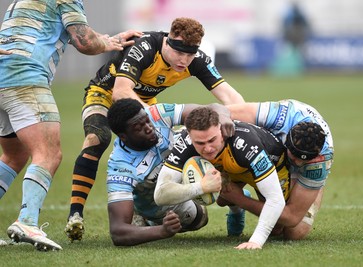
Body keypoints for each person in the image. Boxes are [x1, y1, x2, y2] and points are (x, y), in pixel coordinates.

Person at [65, 17, 245, 242]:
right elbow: (121, 91)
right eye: (179, 53)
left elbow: (230, 97)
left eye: (190, 55)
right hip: (105, 94)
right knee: (98, 138)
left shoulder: (195, 59)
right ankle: (75, 214)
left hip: (144, 103)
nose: (184, 60)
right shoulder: (146, 47)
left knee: (193, 147)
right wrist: (155, 120)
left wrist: (240, 125)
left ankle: (147, 206)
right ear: (168, 41)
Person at [0, 0, 140, 251]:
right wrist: (106, 44)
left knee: (14, 155)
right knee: (48, 153)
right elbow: (83, 40)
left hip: (5, 75)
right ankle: (27, 221)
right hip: (24, 77)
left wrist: (111, 39)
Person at [154, 107, 289, 250]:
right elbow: (160, 195)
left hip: (272, 165)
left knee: (282, 229)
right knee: (221, 198)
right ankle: (235, 209)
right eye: (200, 143)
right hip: (230, 165)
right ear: (189, 135)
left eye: (212, 140)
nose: (207, 148)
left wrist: (256, 241)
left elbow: (275, 199)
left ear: (221, 130)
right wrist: (202, 187)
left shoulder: (246, 144)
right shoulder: (183, 142)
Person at [105, 98, 234, 246]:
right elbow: (117, 232)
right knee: (199, 218)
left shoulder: (156, 113)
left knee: (206, 138)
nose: (149, 128)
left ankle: (236, 208)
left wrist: (222, 117)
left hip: (184, 170)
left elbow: (211, 109)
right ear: (123, 136)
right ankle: (147, 219)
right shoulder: (121, 166)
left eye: (147, 121)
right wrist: (162, 231)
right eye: (138, 128)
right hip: (160, 202)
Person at [221, 99, 333, 240]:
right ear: (286, 140)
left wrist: (240, 199)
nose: (297, 162)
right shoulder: (278, 116)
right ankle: (237, 205)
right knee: (222, 199)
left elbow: (292, 217)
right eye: (295, 155)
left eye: (304, 159)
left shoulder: (320, 160)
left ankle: (315, 187)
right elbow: (221, 112)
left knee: (293, 232)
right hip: (269, 151)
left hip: (302, 166)